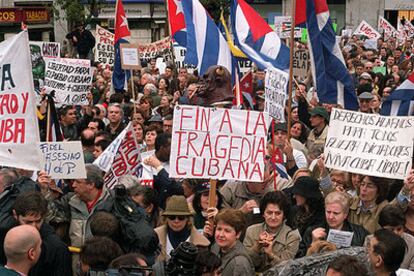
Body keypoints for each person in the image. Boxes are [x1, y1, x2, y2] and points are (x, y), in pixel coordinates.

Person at [297, 191, 368, 257]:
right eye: (328, 212)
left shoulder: (359, 233)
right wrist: (313, 245)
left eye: (336, 213)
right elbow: (299, 263)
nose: (331, 217)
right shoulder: (312, 231)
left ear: (345, 215)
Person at [243, 191, 300, 272]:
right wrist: (257, 246)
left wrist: (271, 255)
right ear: (263, 213)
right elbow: (246, 262)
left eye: (278, 213)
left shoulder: (292, 236)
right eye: (269, 213)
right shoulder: (251, 231)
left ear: (284, 215)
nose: (273, 217)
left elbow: (286, 268)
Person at [154, 195, 210, 261]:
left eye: (181, 217)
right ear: (166, 218)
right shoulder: (154, 237)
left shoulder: (201, 244)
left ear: (187, 219)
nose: (176, 221)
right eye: (172, 217)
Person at [378, 205, 414, 271]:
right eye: (391, 230)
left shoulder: (412, 244)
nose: (396, 233)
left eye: (399, 229)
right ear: (382, 228)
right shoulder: (370, 241)